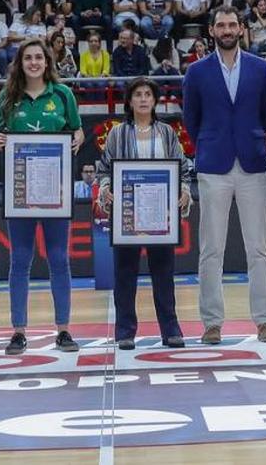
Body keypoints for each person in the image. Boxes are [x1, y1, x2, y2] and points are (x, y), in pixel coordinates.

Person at [181, 5, 266, 345]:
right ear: (211, 30)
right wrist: (209, 144)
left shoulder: (261, 68)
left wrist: (257, 139)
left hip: (252, 162)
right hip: (213, 165)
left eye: (232, 24)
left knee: (259, 249)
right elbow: (191, 120)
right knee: (211, 249)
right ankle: (212, 323)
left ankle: (265, 321)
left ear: (241, 29)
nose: (226, 29)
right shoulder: (196, 72)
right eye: (220, 24)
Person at [0, 38, 85, 355]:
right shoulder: (8, 96)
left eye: (39, 58)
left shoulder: (63, 94)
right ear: (20, 62)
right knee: (20, 260)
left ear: (47, 62)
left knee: (59, 259)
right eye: (28, 58)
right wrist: (0, 139)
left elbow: (78, 130)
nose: (34, 63)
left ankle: (63, 329)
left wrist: (76, 138)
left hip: (55, 190)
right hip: (20, 191)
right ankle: (18, 331)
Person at [96, 77, 189, 350]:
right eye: (138, 94)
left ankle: (171, 329)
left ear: (155, 100)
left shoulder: (167, 133)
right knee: (125, 274)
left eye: (149, 94)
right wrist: (106, 190)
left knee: (164, 273)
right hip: (126, 215)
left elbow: (182, 168)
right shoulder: (117, 133)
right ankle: (125, 331)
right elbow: (104, 170)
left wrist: (183, 190)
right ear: (130, 101)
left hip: (161, 215)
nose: (144, 99)